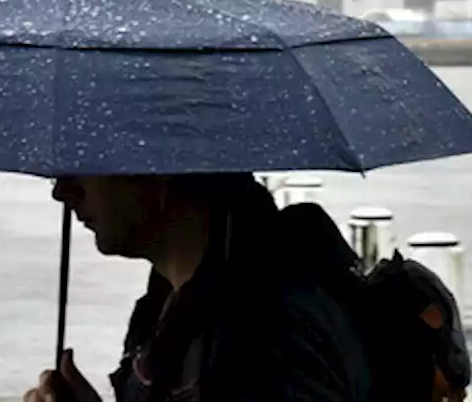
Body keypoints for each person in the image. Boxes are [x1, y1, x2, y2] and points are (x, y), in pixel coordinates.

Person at [22, 172, 373, 402]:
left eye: (82, 162)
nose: (61, 191)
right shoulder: (170, 310)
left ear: (158, 167)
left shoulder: (270, 330)